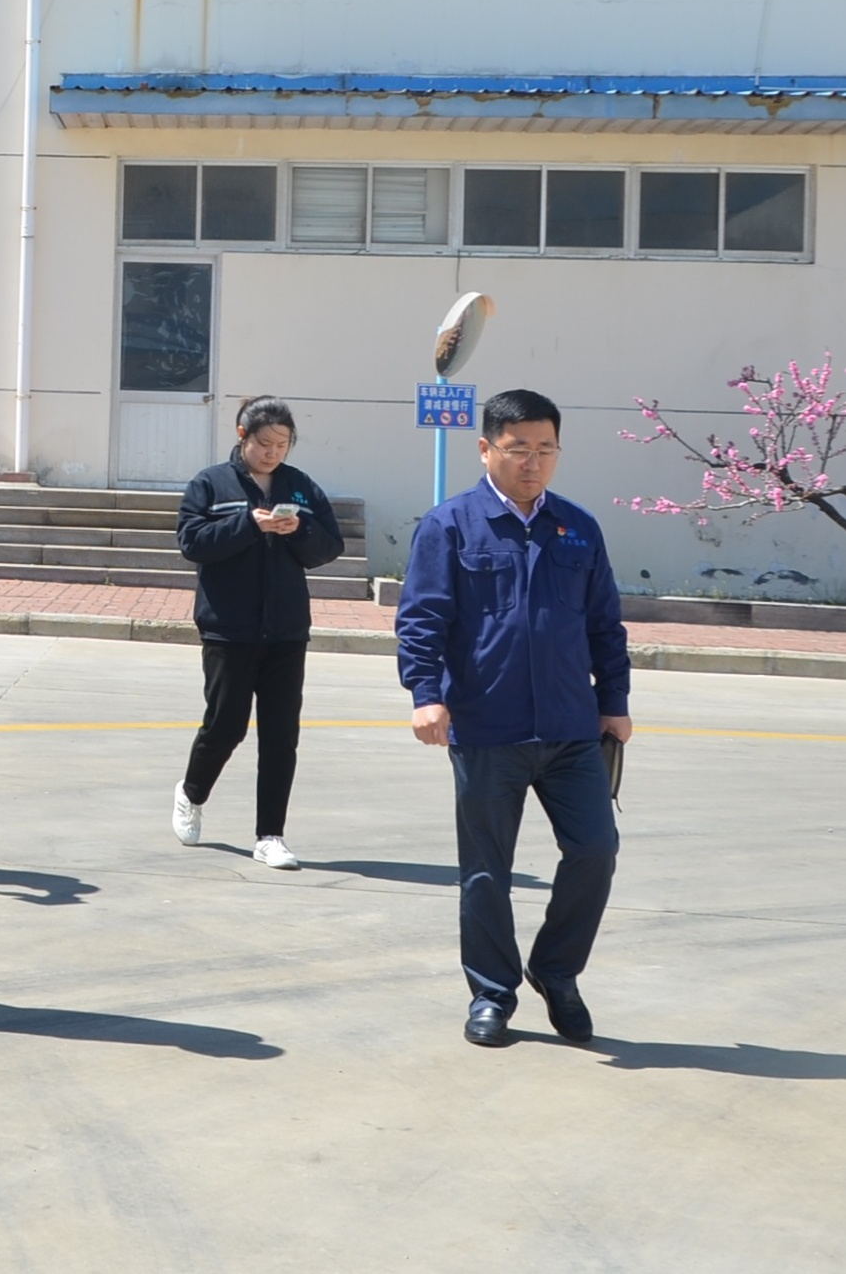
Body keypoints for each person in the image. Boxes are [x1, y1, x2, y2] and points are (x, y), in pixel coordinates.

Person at [397, 388, 630, 1050]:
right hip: (486, 728)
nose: (534, 461)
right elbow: (421, 619)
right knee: (485, 871)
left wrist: (614, 702)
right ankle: (492, 994)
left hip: (571, 729)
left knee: (596, 850)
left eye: (546, 448)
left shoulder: (578, 526)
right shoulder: (450, 525)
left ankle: (556, 970)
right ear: (486, 449)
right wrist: (425, 694)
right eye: (519, 447)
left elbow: (605, 624)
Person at [171, 396, 345, 869]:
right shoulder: (210, 484)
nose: (272, 453)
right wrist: (248, 524)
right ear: (242, 435)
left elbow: (329, 546)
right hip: (229, 629)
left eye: (282, 444)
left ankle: (270, 835)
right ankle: (192, 792)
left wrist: (297, 530)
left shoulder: (300, 486)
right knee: (225, 726)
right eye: (264, 443)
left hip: (286, 630)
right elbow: (192, 543)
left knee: (281, 735)